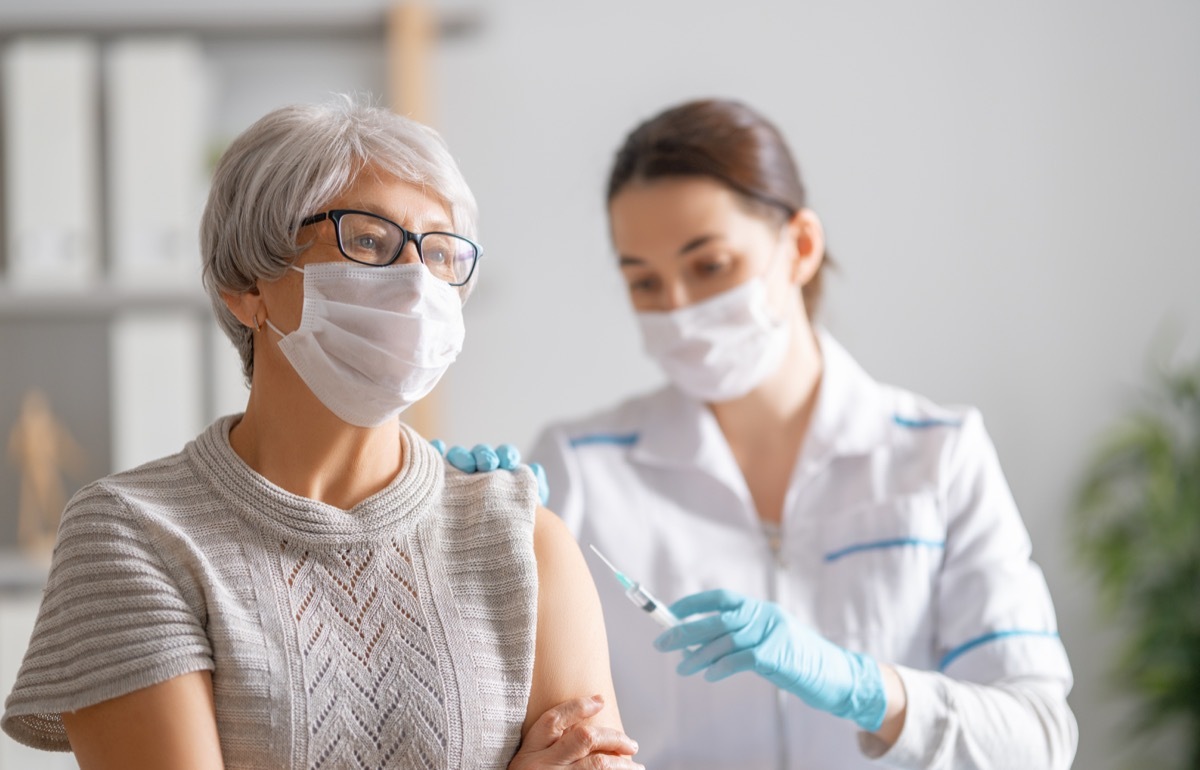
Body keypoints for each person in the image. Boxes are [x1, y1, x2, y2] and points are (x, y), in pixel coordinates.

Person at [1, 98, 642, 770]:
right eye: (368, 240)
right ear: (246, 285)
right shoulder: (137, 534)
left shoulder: (519, 537)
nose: (416, 283)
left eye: (441, 252)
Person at [451, 98, 1078, 770]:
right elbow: (502, 723)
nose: (679, 309)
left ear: (801, 246)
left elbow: (1039, 740)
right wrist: (446, 529)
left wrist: (866, 689)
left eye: (710, 265)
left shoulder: (938, 456)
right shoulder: (579, 470)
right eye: (645, 283)